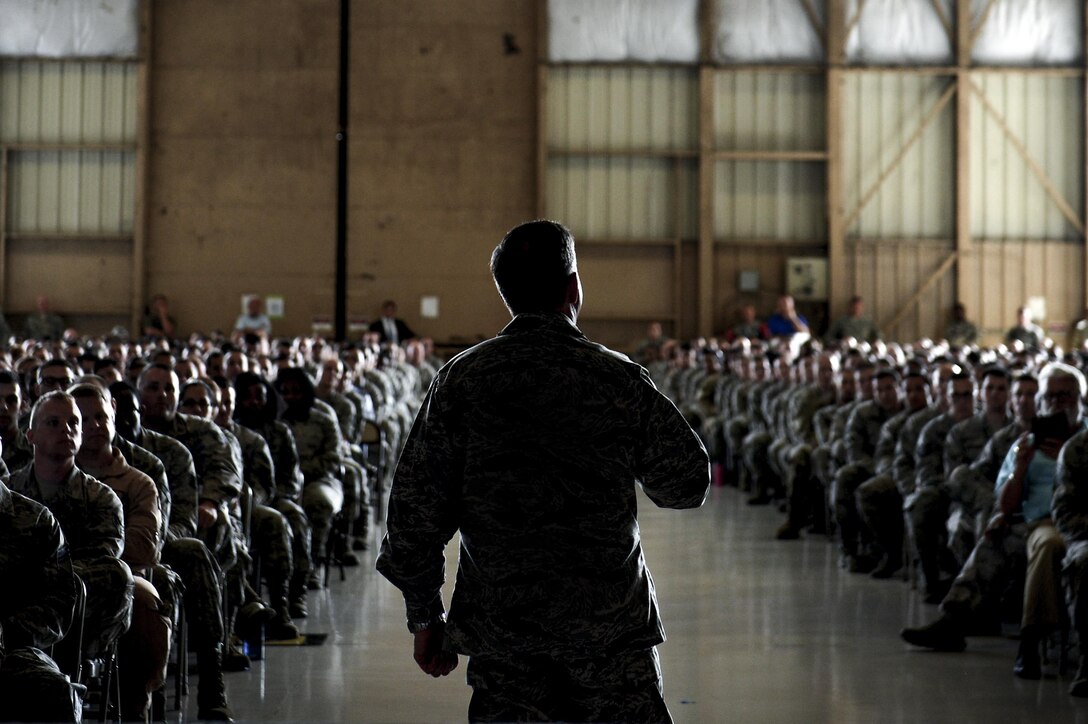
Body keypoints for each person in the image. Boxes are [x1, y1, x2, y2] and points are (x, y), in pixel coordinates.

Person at [376, 219, 709, 722]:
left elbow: (414, 514)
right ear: (573, 287)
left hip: (504, 636)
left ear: (506, 295)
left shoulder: (461, 381)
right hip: (608, 633)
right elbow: (687, 483)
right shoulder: (616, 378)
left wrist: (425, 618)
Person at [901, 362, 1083, 680]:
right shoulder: (1024, 443)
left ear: (1079, 399)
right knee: (995, 537)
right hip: (1032, 521)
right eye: (1050, 397)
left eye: (1065, 396)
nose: (1057, 404)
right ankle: (954, 620)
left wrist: (1064, 460)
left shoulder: (1083, 442)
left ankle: (1030, 638)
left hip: (1074, 523)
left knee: (1046, 545)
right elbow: (1006, 502)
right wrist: (1021, 467)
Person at [0, 478, 81, 722]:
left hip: (10, 652)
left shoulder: (35, 520)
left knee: (55, 690)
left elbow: (58, 604)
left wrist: (6, 632)